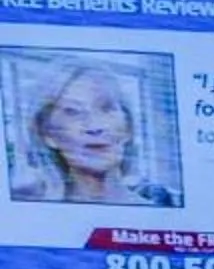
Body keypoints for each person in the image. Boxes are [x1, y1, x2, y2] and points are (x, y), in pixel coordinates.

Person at [10, 61, 175, 206]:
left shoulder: (162, 216)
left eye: (106, 108)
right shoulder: (32, 218)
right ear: (48, 134)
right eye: (72, 112)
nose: (94, 126)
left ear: (127, 128)